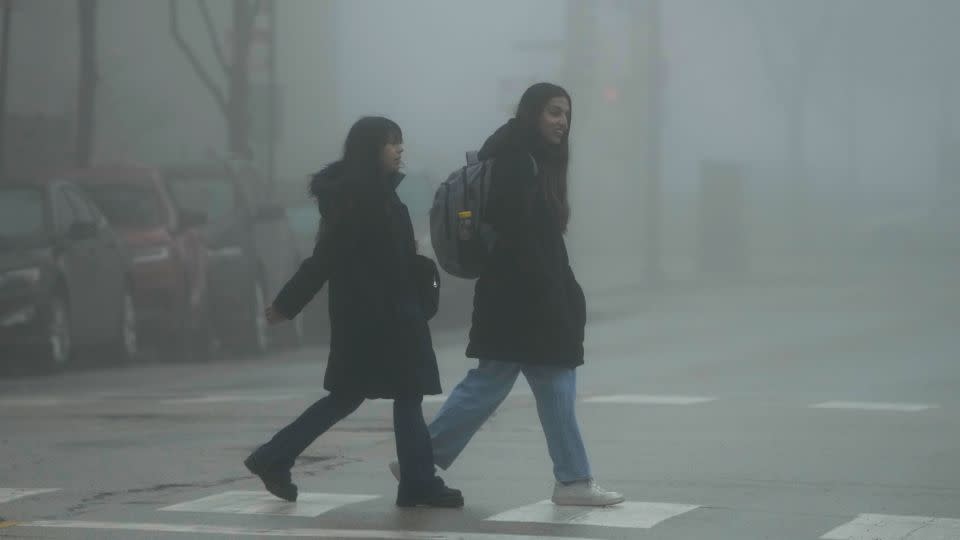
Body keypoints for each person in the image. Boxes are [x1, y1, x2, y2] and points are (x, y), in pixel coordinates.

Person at [390, 83, 624, 507]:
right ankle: (572, 481)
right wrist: (555, 292)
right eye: (554, 112)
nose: (561, 122)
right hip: (524, 299)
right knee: (528, 380)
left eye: (566, 115)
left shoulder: (523, 157)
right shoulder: (519, 162)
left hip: (515, 297)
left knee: (517, 382)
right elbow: (518, 235)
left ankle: (422, 460)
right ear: (533, 113)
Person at [244, 116, 463, 509]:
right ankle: (417, 482)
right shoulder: (361, 200)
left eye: (400, 142)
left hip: (383, 315)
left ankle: (274, 457)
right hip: (377, 319)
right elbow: (324, 259)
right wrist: (285, 306)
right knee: (398, 393)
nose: (400, 150)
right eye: (391, 143)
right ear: (369, 149)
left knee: (353, 396)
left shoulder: (377, 195)